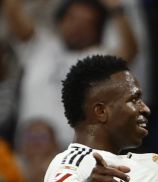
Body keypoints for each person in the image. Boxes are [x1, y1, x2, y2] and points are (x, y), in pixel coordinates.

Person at [1, 0, 138, 146]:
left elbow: (130, 50)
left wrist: (116, 9)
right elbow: (13, 13)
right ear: (60, 21)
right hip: (29, 151)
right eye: (72, 18)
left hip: (72, 157)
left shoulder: (98, 57)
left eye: (87, 23)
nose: (78, 27)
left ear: (97, 30)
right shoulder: (40, 45)